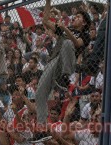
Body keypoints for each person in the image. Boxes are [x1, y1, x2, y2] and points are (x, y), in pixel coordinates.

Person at [29, 0, 91, 142]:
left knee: (68, 42)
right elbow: (45, 20)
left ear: (85, 23)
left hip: (67, 63)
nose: (75, 17)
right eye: (75, 16)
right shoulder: (64, 28)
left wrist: (65, 28)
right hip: (53, 61)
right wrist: (48, 2)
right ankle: (42, 129)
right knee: (40, 94)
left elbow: (77, 43)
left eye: (79, 17)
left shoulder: (85, 34)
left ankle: (64, 77)